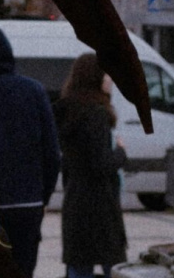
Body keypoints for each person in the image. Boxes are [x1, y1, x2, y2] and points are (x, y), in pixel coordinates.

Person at [0, 25, 61, 277]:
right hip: (27, 204)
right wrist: (44, 197)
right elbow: (51, 152)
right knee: (23, 270)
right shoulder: (34, 90)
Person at [54, 53, 128, 278]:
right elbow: (101, 164)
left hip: (75, 202)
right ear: (95, 78)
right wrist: (121, 153)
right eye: (107, 74)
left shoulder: (66, 110)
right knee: (113, 267)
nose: (111, 80)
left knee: (79, 265)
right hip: (100, 207)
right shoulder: (96, 114)